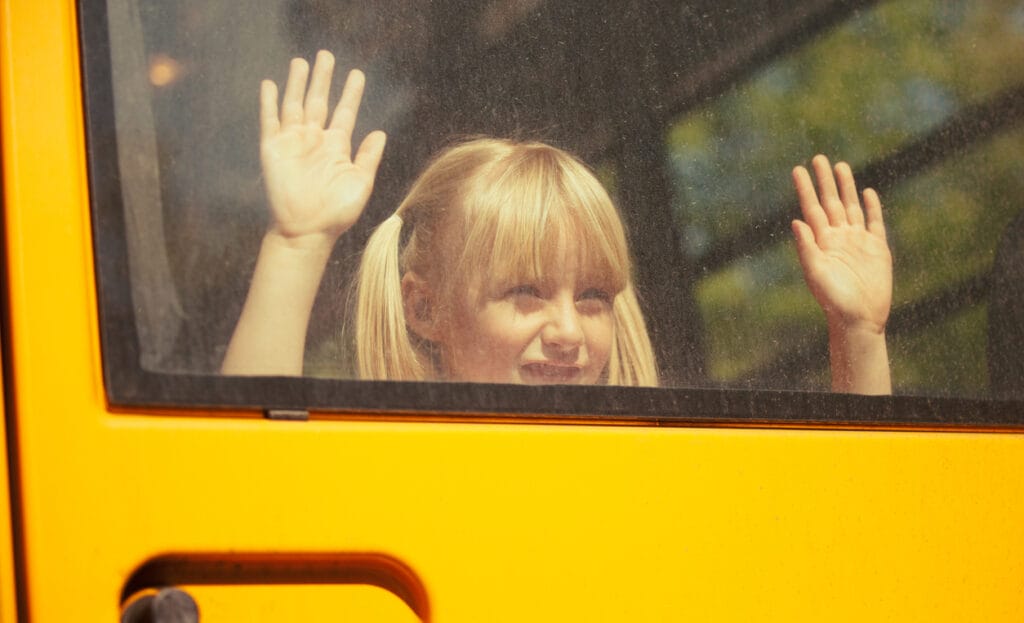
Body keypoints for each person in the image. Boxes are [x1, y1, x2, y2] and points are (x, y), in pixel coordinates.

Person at [222, 50, 892, 394]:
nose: (570, 332)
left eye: (594, 297)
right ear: (423, 308)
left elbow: (853, 527)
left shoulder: (653, 471)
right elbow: (244, 479)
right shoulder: (388, 463)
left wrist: (859, 335)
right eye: (527, 292)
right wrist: (298, 244)